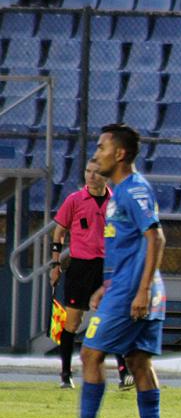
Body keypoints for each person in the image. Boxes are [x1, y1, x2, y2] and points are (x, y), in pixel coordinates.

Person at [41, 123, 168, 418]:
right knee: (139, 362)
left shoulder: (133, 190)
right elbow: (128, 248)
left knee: (90, 354)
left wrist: (139, 291)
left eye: (101, 148)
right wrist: (106, 286)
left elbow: (156, 237)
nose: (96, 155)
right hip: (125, 287)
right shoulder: (119, 193)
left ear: (120, 153)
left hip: (133, 292)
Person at [50, 160, 132, 391]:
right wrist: (55, 264)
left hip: (106, 268)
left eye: (97, 172)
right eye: (88, 171)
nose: (92, 176)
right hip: (80, 268)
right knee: (72, 321)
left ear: (106, 175)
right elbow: (59, 231)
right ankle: (65, 373)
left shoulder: (116, 202)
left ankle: (123, 371)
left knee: (112, 317)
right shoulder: (74, 200)